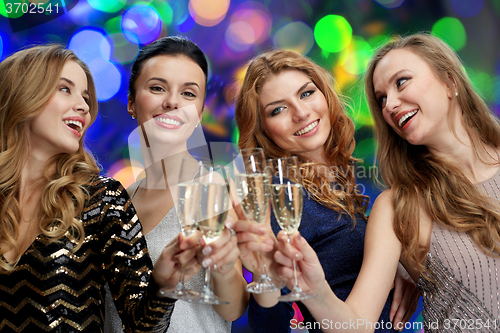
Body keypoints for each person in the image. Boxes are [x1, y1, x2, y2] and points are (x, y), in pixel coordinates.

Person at [272, 33, 500, 332]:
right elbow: (356, 325)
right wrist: (317, 291)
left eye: (401, 82)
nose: (390, 104)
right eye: (381, 99)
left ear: (450, 81)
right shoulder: (397, 207)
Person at [0, 44, 204, 332]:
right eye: (65, 89)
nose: (84, 106)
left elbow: (142, 326)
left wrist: (163, 285)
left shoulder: (102, 199)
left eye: (85, 97)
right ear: (22, 95)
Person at [233, 49, 418, 333]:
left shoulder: (350, 173)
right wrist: (264, 276)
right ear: (263, 130)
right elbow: (270, 324)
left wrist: (398, 263)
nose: (301, 112)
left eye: (306, 94)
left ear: (324, 94)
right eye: (278, 109)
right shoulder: (285, 200)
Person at [104, 36, 248, 333]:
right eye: (157, 88)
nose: (172, 102)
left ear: (199, 112)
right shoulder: (116, 202)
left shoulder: (214, 188)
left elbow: (233, 309)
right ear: (131, 102)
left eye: (188, 93)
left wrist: (222, 265)